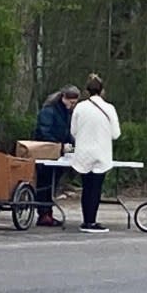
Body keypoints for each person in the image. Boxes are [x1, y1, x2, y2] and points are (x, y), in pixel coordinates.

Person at [70, 73, 121, 233]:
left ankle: (86, 220)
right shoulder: (109, 108)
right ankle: (92, 221)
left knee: (86, 187)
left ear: (87, 91)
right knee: (96, 188)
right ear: (102, 90)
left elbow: (73, 131)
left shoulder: (79, 107)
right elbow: (116, 134)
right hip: (101, 153)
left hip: (83, 153)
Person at [33, 85, 79, 226]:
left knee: (51, 184)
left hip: (59, 152)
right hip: (47, 152)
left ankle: (47, 212)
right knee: (45, 183)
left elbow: (67, 132)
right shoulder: (49, 111)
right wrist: (59, 145)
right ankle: (43, 212)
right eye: (71, 103)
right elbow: (44, 133)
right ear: (64, 98)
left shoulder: (65, 113)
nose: (72, 106)